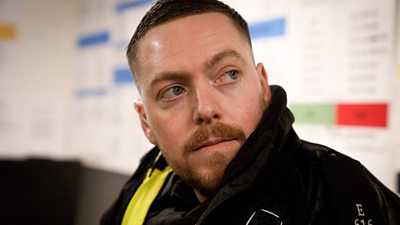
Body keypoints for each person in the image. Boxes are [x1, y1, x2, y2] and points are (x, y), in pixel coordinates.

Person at [101, 0, 400, 224]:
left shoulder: (342, 194)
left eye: (228, 74)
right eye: (174, 91)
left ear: (262, 86)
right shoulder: (144, 188)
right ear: (145, 122)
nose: (205, 109)